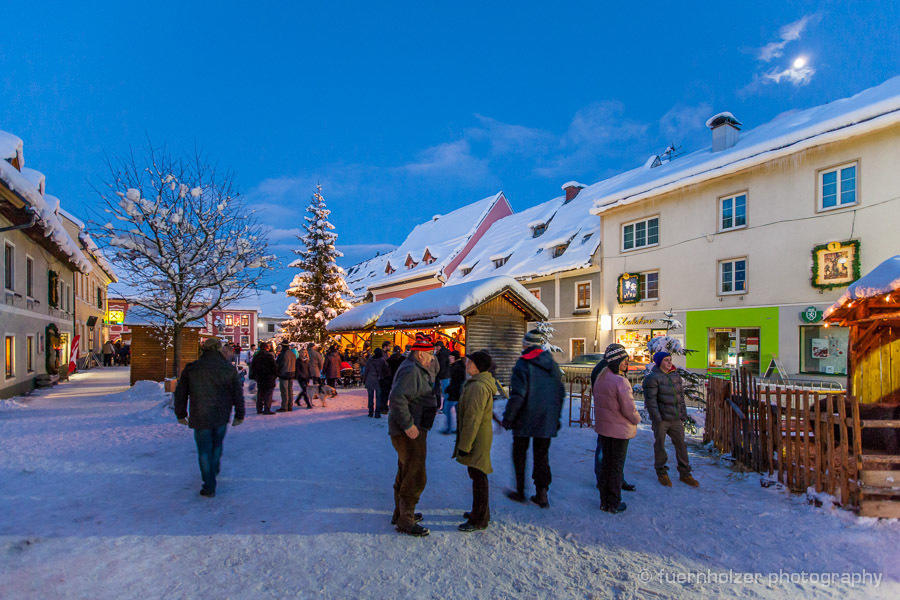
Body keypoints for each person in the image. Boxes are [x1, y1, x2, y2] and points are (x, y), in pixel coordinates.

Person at [502, 329, 565, 508]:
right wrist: (555, 416)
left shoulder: (523, 364)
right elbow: (560, 392)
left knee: (519, 454)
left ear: (527, 345)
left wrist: (508, 417)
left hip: (525, 418)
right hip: (546, 419)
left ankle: (520, 491)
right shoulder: (551, 364)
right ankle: (542, 493)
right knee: (541, 456)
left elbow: (518, 395)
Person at [173, 337, 244, 497]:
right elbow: (237, 393)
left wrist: (181, 414)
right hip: (221, 414)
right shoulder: (228, 368)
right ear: (219, 349)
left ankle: (209, 484)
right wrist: (239, 414)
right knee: (217, 445)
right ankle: (214, 467)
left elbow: (181, 393)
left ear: (203, 349)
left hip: (200, 414)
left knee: (204, 450)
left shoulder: (193, 368)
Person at [388, 333, 439, 536]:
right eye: (429, 354)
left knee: (405, 469)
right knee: (415, 473)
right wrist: (408, 425)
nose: (433, 357)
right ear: (419, 354)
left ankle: (401, 513)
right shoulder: (411, 370)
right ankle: (405, 519)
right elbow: (397, 398)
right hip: (409, 430)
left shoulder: (419, 367)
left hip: (414, 427)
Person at [593, 344, 641, 513]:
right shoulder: (621, 381)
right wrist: (637, 419)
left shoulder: (601, 377)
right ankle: (614, 502)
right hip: (619, 430)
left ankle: (604, 501)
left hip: (604, 428)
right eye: (624, 361)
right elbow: (629, 409)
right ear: (616, 361)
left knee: (606, 464)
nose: (626, 364)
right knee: (616, 467)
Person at [454, 350, 497, 532]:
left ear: (478, 367)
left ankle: (479, 518)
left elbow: (473, 418)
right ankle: (479, 512)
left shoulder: (478, 387)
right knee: (477, 476)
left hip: (476, 438)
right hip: (479, 436)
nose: (467, 365)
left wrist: (465, 446)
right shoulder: (477, 383)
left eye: (470, 363)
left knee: (479, 477)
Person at [643, 351, 699, 488]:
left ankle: (685, 473)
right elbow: (651, 401)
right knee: (660, 445)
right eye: (666, 360)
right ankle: (661, 471)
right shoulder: (653, 378)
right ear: (659, 362)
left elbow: (680, 399)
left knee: (681, 445)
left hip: (675, 418)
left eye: (670, 359)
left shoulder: (675, 376)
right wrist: (657, 419)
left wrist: (682, 414)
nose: (669, 362)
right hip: (662, 419)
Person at [249, 341, 277, 414]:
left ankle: (259, 409)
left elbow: (252, 367)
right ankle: (267, 409)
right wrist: (275, 375)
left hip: (260, 378)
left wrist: (254, 376)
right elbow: (274, 367)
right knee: (268, 393)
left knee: (260, 393)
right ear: (267, 348)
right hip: (268, 377)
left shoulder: (256, 356)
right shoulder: (269, 356)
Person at [441, 350, 464, 434]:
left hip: (455, 393)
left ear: (455, 357)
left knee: (447, 409)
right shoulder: (459, 365)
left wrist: (449, 389)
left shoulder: (456, 367)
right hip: (458, 393)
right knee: (457, 412)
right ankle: (458, 429)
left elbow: (456, 382)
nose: (449, 358)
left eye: (451, 357)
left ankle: (449, 428)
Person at [364, 348, 389, 418]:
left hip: (370, 380)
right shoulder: (382, 360)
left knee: (370, 396)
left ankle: (370, 412)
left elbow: (366, 370)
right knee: (378, 397)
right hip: (379, 380)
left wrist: (364, 379)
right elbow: (386, 369)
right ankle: (377, 412)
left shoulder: (370, 360)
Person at [275, 341, 296, 412]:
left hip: (284, 374)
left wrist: (277, 372)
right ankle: (290, 405)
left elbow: (278, 364)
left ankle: (284, 406)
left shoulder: (282, 354)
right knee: (290, 390)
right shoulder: (292, 354)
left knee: (284, 391)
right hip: (292, 373)